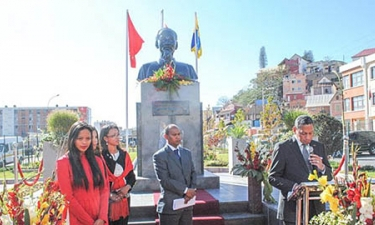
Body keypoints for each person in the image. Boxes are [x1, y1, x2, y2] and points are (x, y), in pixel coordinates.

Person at [268, 115, 333, 225]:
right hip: (292, 210)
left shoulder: (319, 147)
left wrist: (322, 167)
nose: (308, 137)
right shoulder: (283, 148)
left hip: (316, 209)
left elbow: (329, 175)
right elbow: (273, 177)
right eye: (303, 133)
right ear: (294, 130)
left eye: (310, 133)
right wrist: (293, 187)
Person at [56, 121, 109, 225]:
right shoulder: (63, 162)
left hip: (99, 219)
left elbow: (104, 189)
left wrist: (102, 217)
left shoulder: (98, 160)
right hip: (76, 219)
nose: (84, 142)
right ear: (72, 139)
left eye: (88, 138)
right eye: (80, 139)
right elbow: (67, 197)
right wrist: (90, 222)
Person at [153, 124, 197, 225]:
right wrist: (185, 191)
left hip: (187, 205)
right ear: (166, 137)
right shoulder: (159, 156)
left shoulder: (187, 153)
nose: (178, 137)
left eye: (179, 134)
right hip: (170, 207)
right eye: (174, 135)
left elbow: (193, 173)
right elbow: (165, 180)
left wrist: (191, 191)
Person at [100, 124, 136, 225]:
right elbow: (99, 180)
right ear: (105, 138)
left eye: (118, 134)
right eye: (113, 135)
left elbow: (131, 176)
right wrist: (110, 194)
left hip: (124, 198)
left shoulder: (124, 154)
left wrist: (126, 188)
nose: (117, 137)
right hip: (107, 201)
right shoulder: (100, 157)